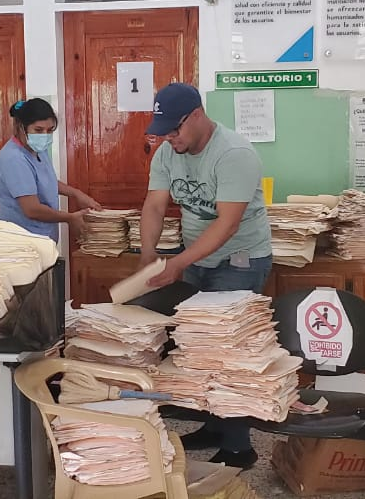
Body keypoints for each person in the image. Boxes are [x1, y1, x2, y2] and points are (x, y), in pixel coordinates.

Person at [138, 82, 272, 469]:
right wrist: (149, 255)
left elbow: (226, 225)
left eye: (174, 129)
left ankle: (239, 448)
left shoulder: (234, 154)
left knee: (226, 350)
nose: (169, 137)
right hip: (196, 256)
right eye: (163, 131)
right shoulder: (167, 152)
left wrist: (178, 264)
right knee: (197, 347)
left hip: (240, 258)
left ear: (196, 115)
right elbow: (154, 205)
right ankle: (214, 427)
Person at [0, 98, 100, 241]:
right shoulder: (14, 158)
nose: (44, 135)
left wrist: (76, 193)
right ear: (20, 127)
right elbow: (32, 209)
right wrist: (69, 217)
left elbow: (46, 181)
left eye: (50, 130)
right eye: (38, 130)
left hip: (41, 237)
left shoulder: (38, 149)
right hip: (18, 239)